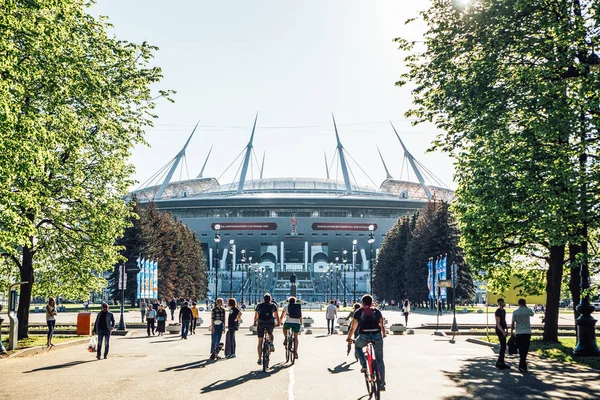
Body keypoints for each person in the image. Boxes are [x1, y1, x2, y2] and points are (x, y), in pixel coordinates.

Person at [346, 294, 387, 391]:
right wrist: (384, 334)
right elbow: (382, 325)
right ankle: (382, 384)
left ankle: (364, 365)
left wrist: (349, 337)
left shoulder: (359, 312)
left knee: (358, 347)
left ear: (363, 302)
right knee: (380, 360)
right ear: (372, 301)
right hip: (377, 335)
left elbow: (353, 327)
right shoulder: (377, 311)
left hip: (364, 335)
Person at [254, 293, 280, 365]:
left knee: (260, 342)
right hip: (270, 323)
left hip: (261, 323)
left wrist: (254, 323)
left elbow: (256, 316)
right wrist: (278, 323)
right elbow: (276, 316)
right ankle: (271, 344)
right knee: (270, 333)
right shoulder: (273, 305)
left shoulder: (259, 305)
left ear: (263, 299)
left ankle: (259, 359)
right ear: (270, 299)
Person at [511, 298, 535, 373]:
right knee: (526, 348)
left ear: (518, 304)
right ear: (525, 303)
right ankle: (522, 365)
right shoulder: (528, 311)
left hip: (519, 332)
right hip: (527, 332)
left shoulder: (515, 312)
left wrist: (512, 332)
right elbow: (532, 314)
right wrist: (526, 307)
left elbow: (512, 323)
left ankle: (522, 365)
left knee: (521, 349)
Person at [495, 298, 510, 370]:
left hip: (503, 329)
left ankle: (501, 361)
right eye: (501, 303)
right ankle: (499, 362)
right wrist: (503, 332)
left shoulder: (503, 311)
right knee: (503, 345)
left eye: (503, 302)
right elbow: (498, 324)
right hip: (499, 330)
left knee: (504, 346)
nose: (502, 304)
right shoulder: (497, 311)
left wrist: (507, 329)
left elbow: (504, 320)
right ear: (498, 303)